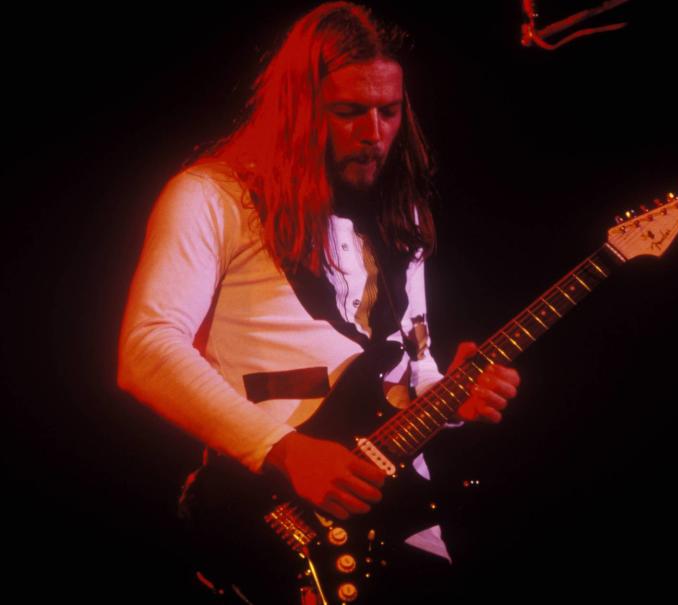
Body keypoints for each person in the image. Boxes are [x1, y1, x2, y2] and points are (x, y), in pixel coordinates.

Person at [116, 2, 520, 602]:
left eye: (389, 111)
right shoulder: (214, 197)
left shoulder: (400, 213)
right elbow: (146, 349)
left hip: (400, 521)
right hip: (277, 521)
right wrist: (285, 452)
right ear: (299, 110)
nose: (374, 133)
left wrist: (453, 394)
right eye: (349, 112)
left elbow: (410, 366)